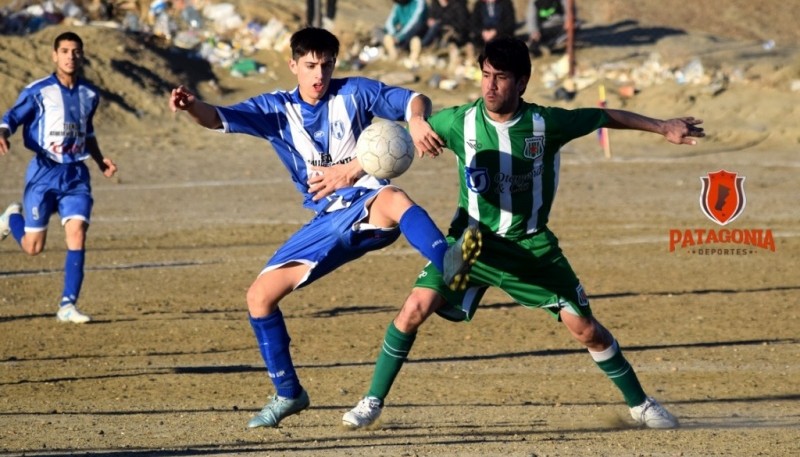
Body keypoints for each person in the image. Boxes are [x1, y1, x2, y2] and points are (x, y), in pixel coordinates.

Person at [342, 36, 705, 430]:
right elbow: (402, 139)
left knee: (585, 329)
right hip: (472, 244)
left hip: (532, 246)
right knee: (414, 308)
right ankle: (371, 400)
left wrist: (663, 126)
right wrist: (407, 129)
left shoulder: (545, 124)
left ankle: (641, 405)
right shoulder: (459, 121)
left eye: (500, 78)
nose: (490, 86)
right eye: (485, 75)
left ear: (522, 82)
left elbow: (603, 117)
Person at [168, 27, 477, 429]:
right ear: (293, 65)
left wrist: (416, 119)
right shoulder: (276, 109)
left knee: (394, 198)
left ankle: (455, 277)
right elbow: (216, 118)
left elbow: (413, 99)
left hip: (367, 204)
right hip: (326, 222)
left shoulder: (356, 93)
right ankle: (288, 392)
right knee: (259, 298)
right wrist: (192, 105)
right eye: (310, 65)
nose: (319, 74)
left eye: (327, 65)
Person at [0, 31, 118, 324]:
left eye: (75, 51)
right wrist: (2, 133)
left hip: (76, 174)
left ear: (82, 54)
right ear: (55, 55)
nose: (70, 56)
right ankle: (10, 218)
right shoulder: (39, 90)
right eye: (64, 50)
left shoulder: (90, 94)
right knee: (32, 247)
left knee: (77, 232)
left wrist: (100, 159)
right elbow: (11, 117)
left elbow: (86, 131)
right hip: (44, 173)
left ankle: (68, 304)